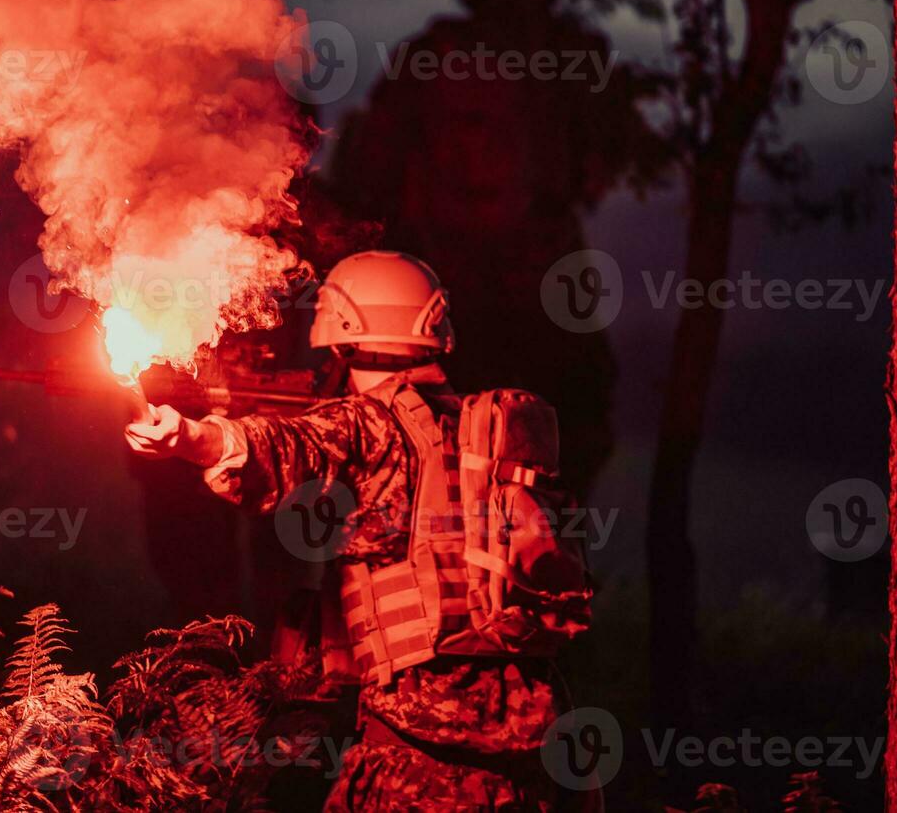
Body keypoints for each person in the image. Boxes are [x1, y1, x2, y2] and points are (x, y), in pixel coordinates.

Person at [125, 251, 593, 811]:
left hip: (416, 766)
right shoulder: (478, 434)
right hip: (531, 761)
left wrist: (191, 438)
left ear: (344, 338)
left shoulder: (371, 425)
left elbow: (284, 448)